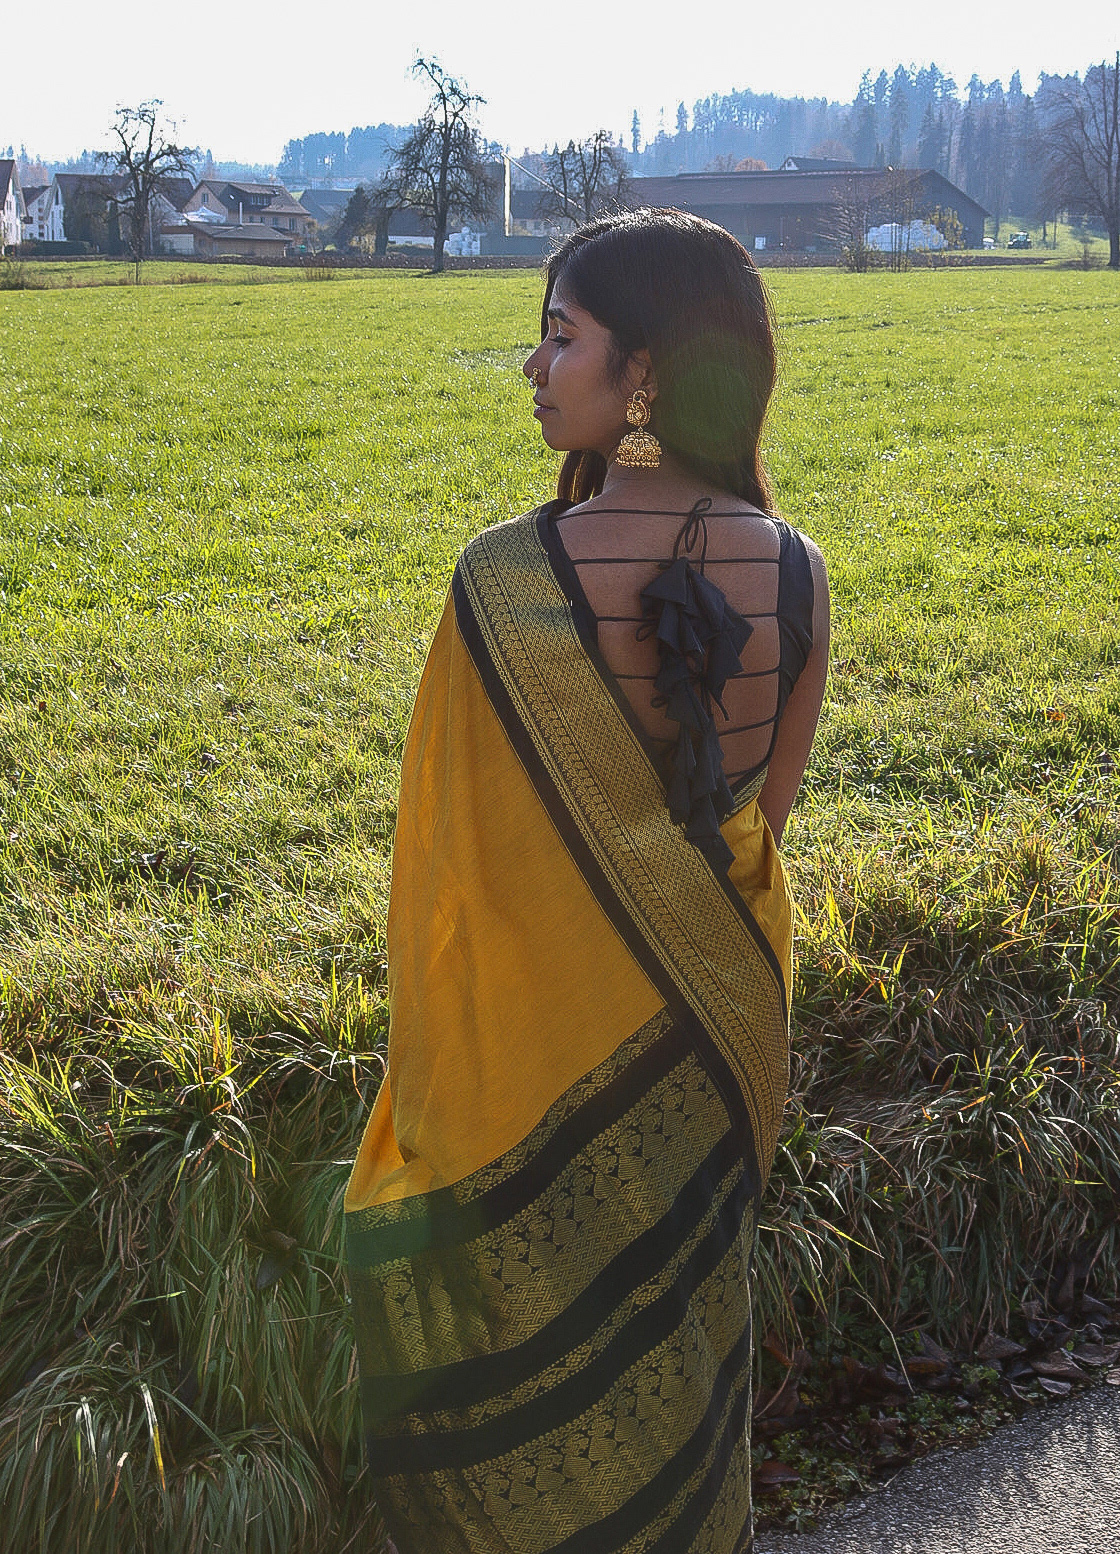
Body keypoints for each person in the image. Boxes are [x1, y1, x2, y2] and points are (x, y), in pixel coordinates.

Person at [345, 207, 830, 1554]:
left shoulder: (503, 582)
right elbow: (755, 832)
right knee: (682, 1365)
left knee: (535, 1387)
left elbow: (455, 877)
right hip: (715, 1038)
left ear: (648, 373)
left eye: (560, 336)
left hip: (535, 1063)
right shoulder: (796, 574)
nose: (534, 364)